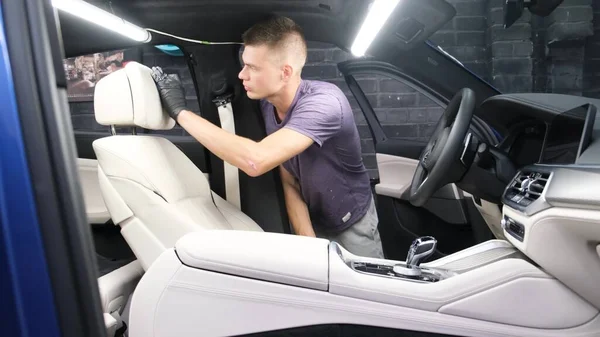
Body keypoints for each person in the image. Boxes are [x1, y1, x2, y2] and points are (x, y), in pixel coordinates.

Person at [151, 15, 384, 259]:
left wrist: (181, 113)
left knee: (368, 294)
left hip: (350, 221)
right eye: (244, 65)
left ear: (285, 72)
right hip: (312, 217)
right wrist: (311, 246)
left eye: (252, 67)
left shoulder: (325, 104)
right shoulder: (266, 106)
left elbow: (256, 160)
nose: (242, 75)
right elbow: (288, 180)